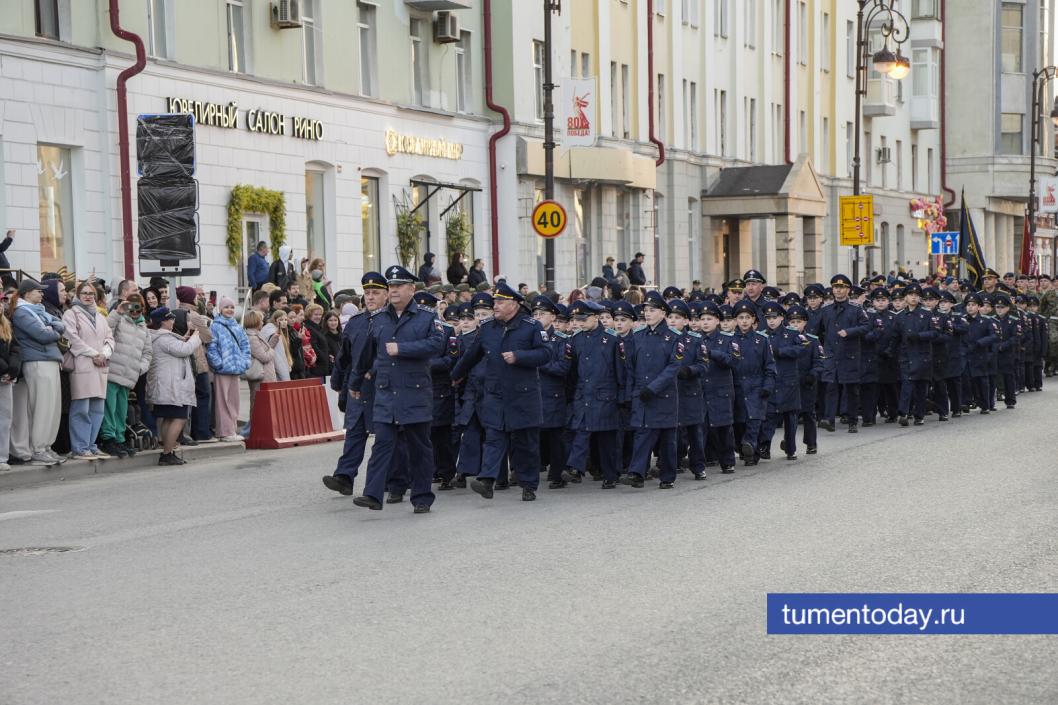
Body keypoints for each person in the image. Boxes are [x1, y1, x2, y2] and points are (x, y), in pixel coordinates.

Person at [349, 266, 445, 514]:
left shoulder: (426, 316)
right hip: (386, 393)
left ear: (411, 289)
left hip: (415, 393)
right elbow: (366, 354)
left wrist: (403, 349)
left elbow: (437, 344)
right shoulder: (379, 318)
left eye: (398, 286)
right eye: (390, 286)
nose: (393, 291)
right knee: (382, 444)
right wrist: (355, 383)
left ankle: (422, 497)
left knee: (419, 448)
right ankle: (373, 494)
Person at [451, 282, 551, 502]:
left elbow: (546, 353)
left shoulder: (531, 326)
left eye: (500, 302)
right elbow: (472, 355)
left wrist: (519, 356)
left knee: (525, 443)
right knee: (494, 437)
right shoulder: (488, 328)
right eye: (495, 301)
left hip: (523, 395)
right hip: (495, 393)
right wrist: (455, 375)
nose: (495, 305)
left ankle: (528, 484)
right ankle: (487, 480)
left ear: (514, 304)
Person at [323, 272, 390, 495]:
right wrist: (338, 383)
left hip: (382, 387)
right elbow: (344, 356)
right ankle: (344, 476)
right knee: (354, 433)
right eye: (367, 293)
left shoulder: (392, 321)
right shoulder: (356, 322)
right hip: (357, 389)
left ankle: (391, 479)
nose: (370, 297)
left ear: (386, 295)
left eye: (375, 293)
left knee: (386, 436)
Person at [622, 291, 682, 487]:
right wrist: (631, 393)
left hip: (663, 395)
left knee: (667, 438)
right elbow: (630, 366)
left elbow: (674, 367)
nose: (647, 313)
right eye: (646, 310)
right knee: (642, 433)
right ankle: (637, 473)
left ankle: (667, 477)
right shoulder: (638, 336)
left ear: (663, 313)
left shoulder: (673, 337)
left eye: (652, 310)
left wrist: (654, 388)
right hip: (642, 394)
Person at [10, 279, 66, 466]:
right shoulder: (21, 312)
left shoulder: (40, 310)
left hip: (50, 359)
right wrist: (54, 332)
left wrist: (53, 329)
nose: (42, 294)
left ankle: (46, 446)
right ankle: (38, 449)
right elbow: (43, 335)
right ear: (27, 293)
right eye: (38, 291)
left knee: (52, 407)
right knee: (41, 407)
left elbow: (60, 324)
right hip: (36, 361)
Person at [62, 280, 114, 460]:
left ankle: (91, 445)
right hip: (83, 364)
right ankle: (80, 447)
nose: (88, 296)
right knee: (81, 408)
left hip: (100, 366)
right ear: (77, 295)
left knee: (97, 409)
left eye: (91, 293)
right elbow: (72, 338)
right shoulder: (71, 314)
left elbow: (110, 338)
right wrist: (94, 354)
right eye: (84, 293)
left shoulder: (100, 316)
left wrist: (105, 353)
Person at [147, 307, 201, 465]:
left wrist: (186, 338)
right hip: (171, 387)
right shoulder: (164, 338)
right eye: (170, 318)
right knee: (179, 418)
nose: (173, 321)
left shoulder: (162, 337)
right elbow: (185, 350)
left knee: (169, 418)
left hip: (168, 387)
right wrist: (196, 337)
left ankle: (167, 451)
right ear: (163, 321)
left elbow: (178, 346)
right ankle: (166, 453)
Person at [101, 293, 152, 457]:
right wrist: (118, 312)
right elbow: (105, 330)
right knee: (109, 407)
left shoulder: (144, 328)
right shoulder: (119, 319)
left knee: (122, 410)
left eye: (139, 308)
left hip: (129, 376)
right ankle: (108, 438)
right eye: (132, 307)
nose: (135, 311)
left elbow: (148, 353)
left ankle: (120, 438)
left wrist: (139, 369)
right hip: (112, 372)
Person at [173, 286, 214, 443]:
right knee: (202, 395)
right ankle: (202, 432)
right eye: (195, 296)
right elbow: (208, 337)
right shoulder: (194, 315)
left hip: (183, 360)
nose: (198, 299)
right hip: (197, 360)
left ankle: (189, 432)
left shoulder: (175, 312)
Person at [206, 296, 250, 442]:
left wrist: (245, 362)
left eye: (232, 307)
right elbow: (212, 348)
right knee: (222, 402)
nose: (229, 310)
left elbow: (245, 346)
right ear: (220, 309)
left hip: (236, 369)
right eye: (226, 307)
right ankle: (224, 432)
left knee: (234, 401)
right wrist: (219, 364)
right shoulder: (215, 326)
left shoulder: (237, 327)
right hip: (222, 370)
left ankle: (231, 430)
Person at [243, 309, 277, 427]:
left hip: (264, 375)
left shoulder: (256, 335)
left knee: (261, 403)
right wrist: (272, 350)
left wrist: (272, 343)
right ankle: (254, 429)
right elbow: (264, 357)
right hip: (261, 376)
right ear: (256, 322)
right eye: (261, 320)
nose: (263, 323)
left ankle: (259, 427)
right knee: (258, 404)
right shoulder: (252, 338)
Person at [0, 300, 20, 471]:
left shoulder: (6, 324)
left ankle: (1, 457)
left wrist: (13, 369)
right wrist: (4, 369)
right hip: (2, 373)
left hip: (5, 379)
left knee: (5, 419)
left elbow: (15, 348)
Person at [263, 310, 293, 382]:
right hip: (274, 369)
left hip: (274, 369)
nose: (284, 322)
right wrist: (285, 377)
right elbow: (278, 357)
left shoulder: (279, 331)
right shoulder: (274, 332)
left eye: (285, 320)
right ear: (275, 320)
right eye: (281, 319)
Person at [302, 304, 330, 378]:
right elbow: (314, 346)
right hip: (315, 368)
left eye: (320, 314)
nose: (318, 317)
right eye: (316, 314)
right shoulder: (309, 328)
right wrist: (324, 358)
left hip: (321, 367)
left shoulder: (317, 327)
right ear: (309, 315)